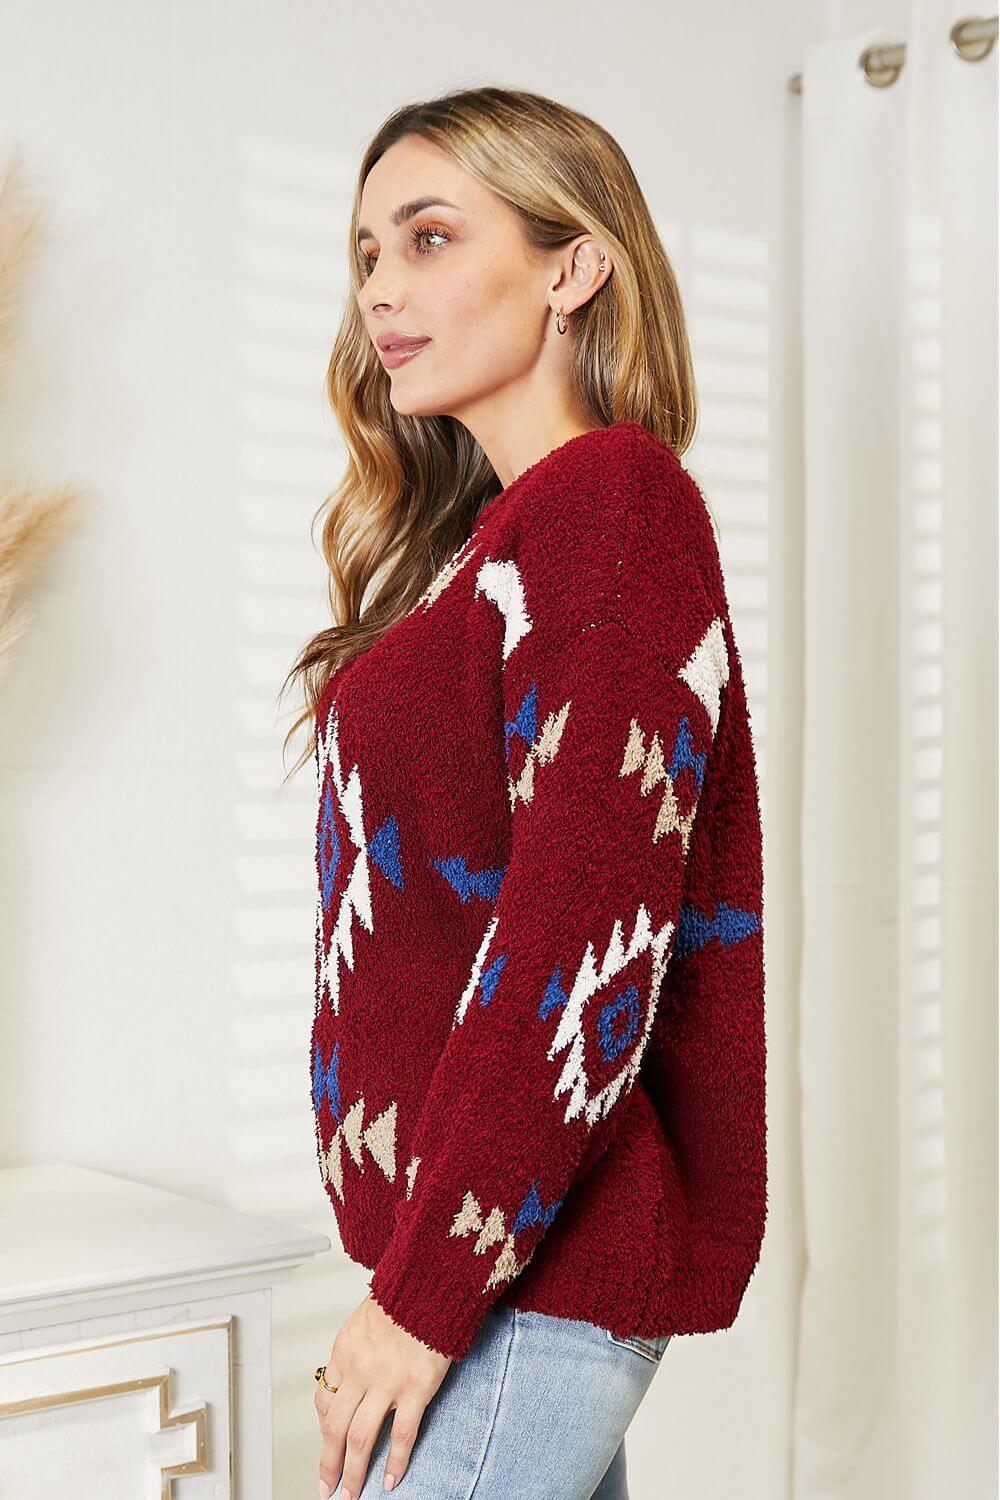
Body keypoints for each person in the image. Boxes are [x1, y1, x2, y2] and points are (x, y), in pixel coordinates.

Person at [279, 84, 767, 1500]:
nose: (382, 290)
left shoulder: (614, 500)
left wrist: (424, 1297)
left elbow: (576, 930)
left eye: (430, 238)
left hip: (528, 1269)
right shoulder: (484, 547)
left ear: (573, 266)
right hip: (479, 1249)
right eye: (367, 253)